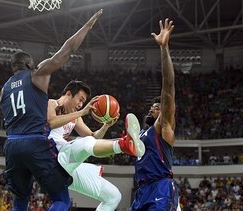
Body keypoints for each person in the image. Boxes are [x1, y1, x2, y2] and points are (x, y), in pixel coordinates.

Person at [0, 9, 103, 211]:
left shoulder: (3, 91)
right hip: (34, 142)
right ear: (29, 64)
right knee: (61, 199)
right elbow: (68, 49)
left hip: (11, 145)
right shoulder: (37, 74)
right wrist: (87, 26)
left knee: (20, 200)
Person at [47, 80, 145, 211]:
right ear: (69, 94)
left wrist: (106, 126)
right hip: (51, 156)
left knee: (113, 196)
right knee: (86, 142)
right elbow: (51, 123)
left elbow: (93, 137)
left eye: (83, 102)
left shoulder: (75, 117)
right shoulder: (51, 103)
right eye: (80, 100)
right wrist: (82, 112)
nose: (81, 105)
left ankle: (124, 143)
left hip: (65, 162)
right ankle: (123, 144)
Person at [130, 18, 180, 210]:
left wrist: (164, 48)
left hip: (161, 187)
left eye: (158, 106)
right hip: (141, 190)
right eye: (152, 106)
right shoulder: (142, 135)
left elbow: (168, 86)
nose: (153, 107)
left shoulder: (163, 126)